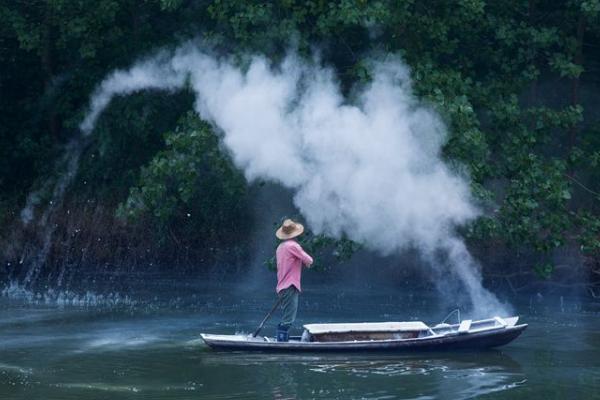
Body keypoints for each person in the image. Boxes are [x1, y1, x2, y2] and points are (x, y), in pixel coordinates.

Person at [275, 219, 313, 342]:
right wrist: (306, 262)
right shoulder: (293, 246)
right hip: (290, 286)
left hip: (282, 286)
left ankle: (281, 340)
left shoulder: (280, 247)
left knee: (287, 316)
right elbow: (309, 259)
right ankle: (281, 343)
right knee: (288, 319)